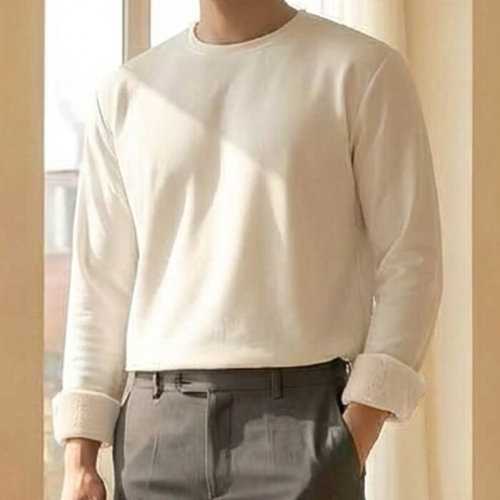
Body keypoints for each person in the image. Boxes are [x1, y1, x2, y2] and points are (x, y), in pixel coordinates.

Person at [53, 0, 443, 499]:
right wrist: (79, 457)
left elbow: (411, 260)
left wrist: (356, 432)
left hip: (301, 424)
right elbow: (99, 286)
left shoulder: (361, 69)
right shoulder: (127, 92)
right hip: (155, 431)